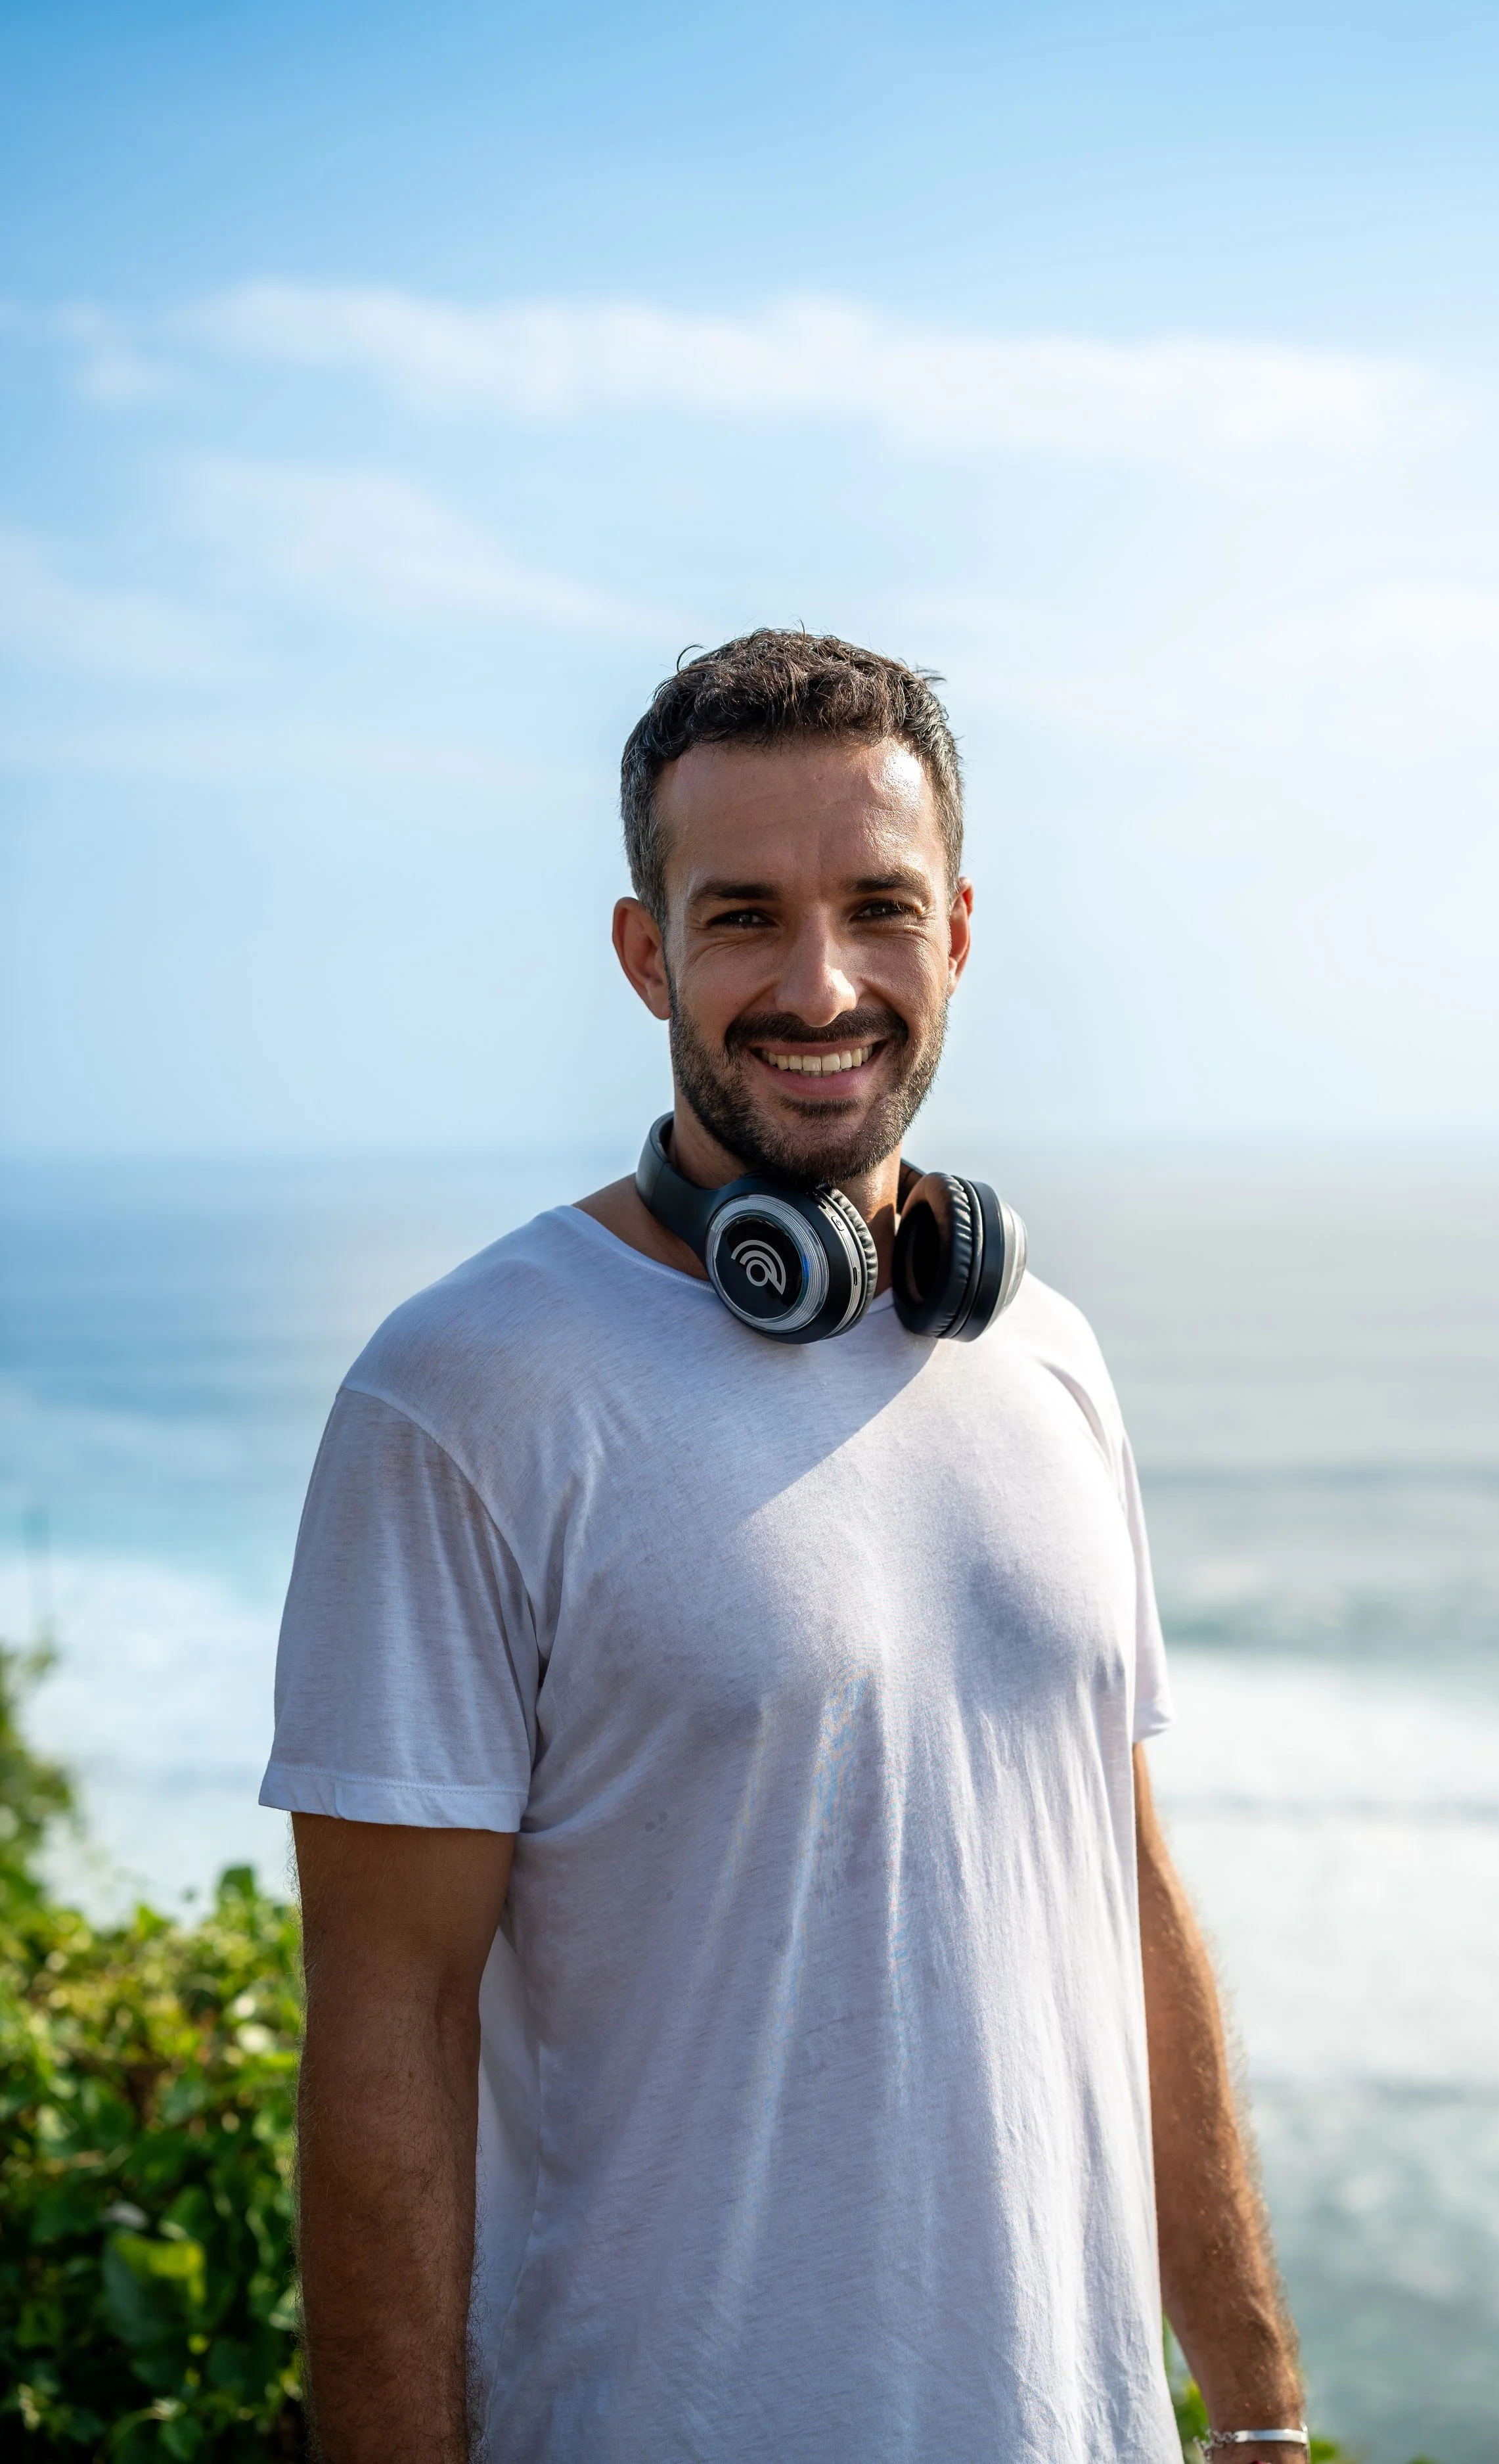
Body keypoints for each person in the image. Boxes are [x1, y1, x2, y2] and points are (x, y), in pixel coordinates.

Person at [263, 631, 1307, 2463]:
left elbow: (1121, 1892)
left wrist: (1261, 2412)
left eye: (876, 907)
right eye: (741, 915)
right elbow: (384, 2034)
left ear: (958, 934)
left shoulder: (1047, 1353)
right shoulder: (464, 1392)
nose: (819, 982)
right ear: (644, 950)